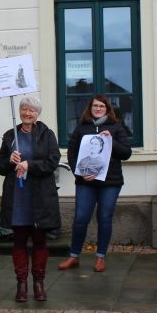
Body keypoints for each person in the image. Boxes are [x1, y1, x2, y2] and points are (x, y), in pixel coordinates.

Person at [0, 96, 61, 302]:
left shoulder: (47, 134)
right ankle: (21, 284)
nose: (27, 113)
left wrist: (29, 165)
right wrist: (9, 160)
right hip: (18, 197)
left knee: (40, 241)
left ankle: (39, 283)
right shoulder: (10, 136)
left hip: (39, 196)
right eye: (24, 109)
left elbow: (52, 162)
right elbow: (0, 167)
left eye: (32, 110)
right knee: (19, 241)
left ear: (37, 114)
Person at [58, 95, 133, 273]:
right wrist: (82, 173)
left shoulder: (116, 127)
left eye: (101, 106)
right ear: (90, 109)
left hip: (110, 182)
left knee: (104, 218)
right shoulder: (82, 127)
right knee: (81, 218)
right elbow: (72, 152)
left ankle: (100, 257)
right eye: (95, 106)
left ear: (107, 109)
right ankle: (74, 256)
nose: (98, 109)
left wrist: (111, 141)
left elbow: (126, 153)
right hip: (86, 181)